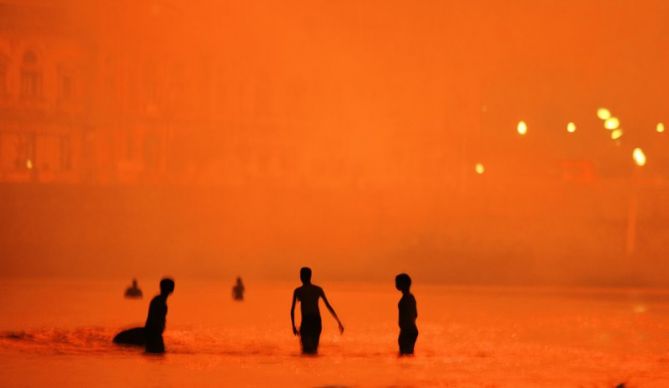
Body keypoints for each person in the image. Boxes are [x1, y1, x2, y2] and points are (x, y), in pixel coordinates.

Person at [290, 267, 344, 354]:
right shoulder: (317, 289)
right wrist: (338, 322)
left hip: (307, 321)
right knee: (314, 350)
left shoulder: (298, 291)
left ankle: (306, 366)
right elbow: (328, 306)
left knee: (305, 351)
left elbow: (292, 310)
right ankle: (315, 366)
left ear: (301, 277)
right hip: (316, 320)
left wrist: (293, 326)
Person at [144, 277, 175, 354]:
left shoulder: (158, 300)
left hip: (154, 333)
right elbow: (155, 319)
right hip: (154, 334)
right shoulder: (159, 302)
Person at [395, 273, 418, 355]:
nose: (395, 284)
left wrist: (404, 327)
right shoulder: (411, 297)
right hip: (413, 330)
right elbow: (415, 314)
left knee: (404, 354)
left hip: (406, 330)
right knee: (409, 353)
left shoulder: (404, 300)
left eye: (397, 282)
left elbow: (405, 317)